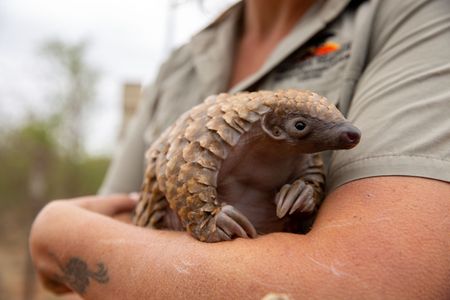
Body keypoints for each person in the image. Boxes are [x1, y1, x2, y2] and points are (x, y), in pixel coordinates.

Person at [30, 0, 450, 298]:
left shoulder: (417, 15)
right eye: (301, 127)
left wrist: (62, 238)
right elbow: (121, 214)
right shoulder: (181, 62)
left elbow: (364, 285)